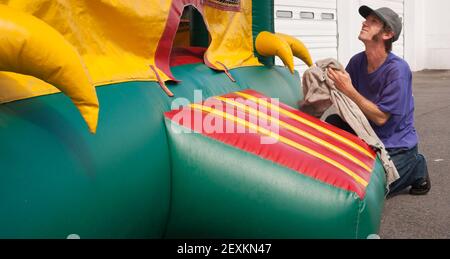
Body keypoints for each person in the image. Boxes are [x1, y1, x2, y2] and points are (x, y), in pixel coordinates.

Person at [326, 6, 431, 197]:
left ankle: (416, 166)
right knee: (333, 122)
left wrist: (348, 89)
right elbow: (339, 97)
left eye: (373, 21)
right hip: (366, 133)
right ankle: (363, 162)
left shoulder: (397, 70)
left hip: (395, 146)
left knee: (368, 192)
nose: (365, 22)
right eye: (366, 19)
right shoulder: (357, 62)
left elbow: (381, 118)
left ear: (388, 34)